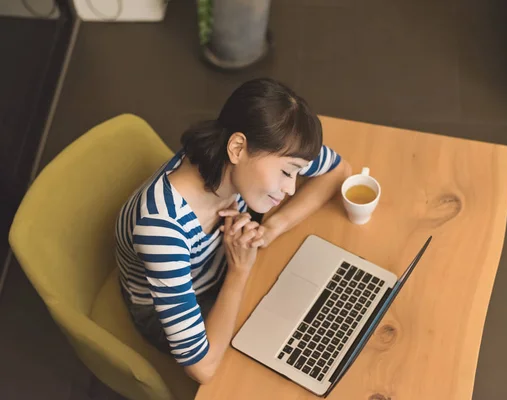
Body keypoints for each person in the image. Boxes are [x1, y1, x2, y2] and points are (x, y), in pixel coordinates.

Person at [115, 78, 352, 384]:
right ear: (237, 147)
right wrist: (238, 273)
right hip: (180, 300)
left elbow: (339, 170)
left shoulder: (239, 151)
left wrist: (272, 228)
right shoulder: (161, 229)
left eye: (295, 173)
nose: (291, 188)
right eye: (285, 173)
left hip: (221, 262)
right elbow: (203, 368)